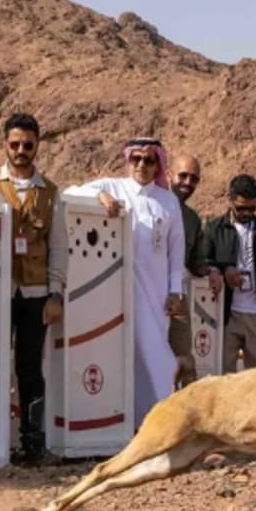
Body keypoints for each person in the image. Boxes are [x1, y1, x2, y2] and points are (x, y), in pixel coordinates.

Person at [0, 113, 68, 464]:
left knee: (30, 368)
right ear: (4, 144)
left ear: (38, 146)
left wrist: (55, 294)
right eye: (15, 144)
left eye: (28, 145)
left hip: (35, 295)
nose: (21, 151)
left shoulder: (50, 194)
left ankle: (33, 443)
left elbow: (59, 247)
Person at [69, 138, 185, 429]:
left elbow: (176, 250)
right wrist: (99, 199)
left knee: (157, 358)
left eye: (149, 160)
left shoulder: (168, 201)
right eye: (136, 159)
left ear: (158, 164)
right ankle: (122, 424)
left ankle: (164, 423)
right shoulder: (114, 187)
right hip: (117, 290)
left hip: (156, 294)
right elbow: (70, 193)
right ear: (128, 161)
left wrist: (175, 291)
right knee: (120, 355)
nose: (142, 165)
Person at [201, 175, 256, 371]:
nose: (247, 213)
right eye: (241, 208)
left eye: (252, 208)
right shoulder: (214, 229)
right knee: (222, 378)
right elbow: (204, 261)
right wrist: (223, 271)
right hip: (226, 315)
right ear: (230, 200)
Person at [166, 153, 213, 387]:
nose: (187, 183)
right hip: (144, 293)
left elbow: (195, 262)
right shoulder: (149, 203)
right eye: (182, 175)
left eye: (194, 179)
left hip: (176, 297)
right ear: (168, 174)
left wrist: (212, 271)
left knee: (184, 361)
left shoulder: (192, 219)